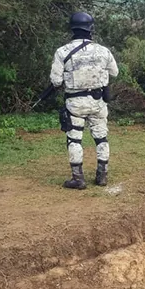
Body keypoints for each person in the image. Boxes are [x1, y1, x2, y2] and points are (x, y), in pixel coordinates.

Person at [50, 12, 118, 189]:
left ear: (72, 28)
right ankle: (102, 175)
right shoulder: (104, 51)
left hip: (75, 103)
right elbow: (115, 72)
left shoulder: (62, 52)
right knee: (101, 137)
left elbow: (56, 81)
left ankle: (78, 178)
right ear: (91, 29)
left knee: (74, 139)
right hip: (98, 102)